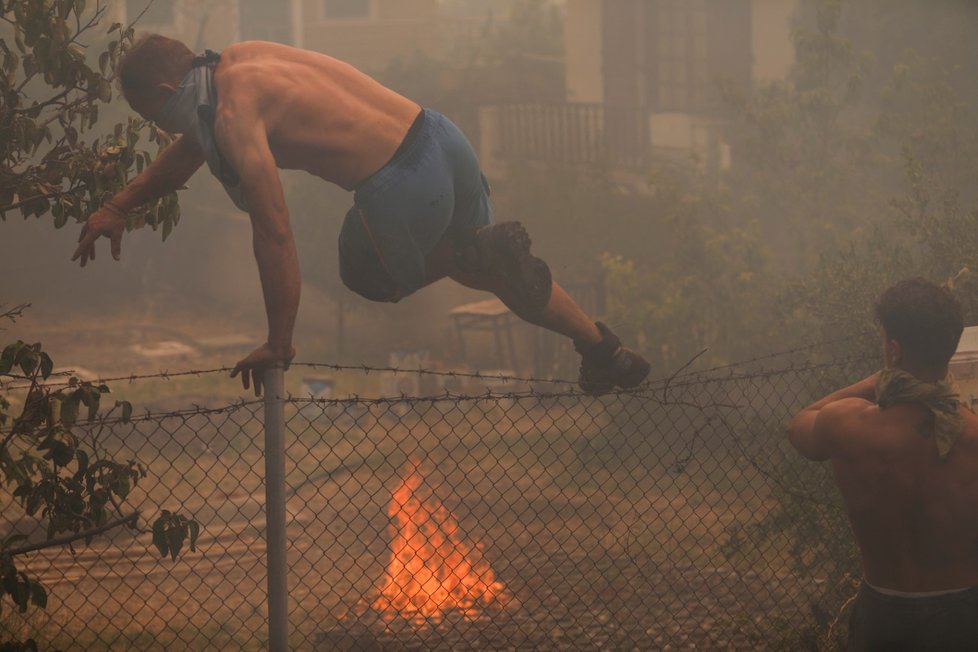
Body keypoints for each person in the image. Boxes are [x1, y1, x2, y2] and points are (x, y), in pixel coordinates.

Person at [71, 36, 649, 397]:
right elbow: (183, 156)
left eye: (153, 116)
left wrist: (280, 340)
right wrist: (119, 205)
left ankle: (469, 250)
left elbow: (274, 229)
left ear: (169, 90)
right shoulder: (241, 62)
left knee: (365, 273)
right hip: (444, 138)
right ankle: (603, 350)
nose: (161, 129)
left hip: (402, 182)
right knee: (493, 272)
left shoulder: (231, 115)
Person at [787, 278, 978, 651]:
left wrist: (874, 383)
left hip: (883, 612)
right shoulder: (973, 434)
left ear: (893, 348)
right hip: (962, 614)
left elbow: (800, 425)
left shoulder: (848, 424)